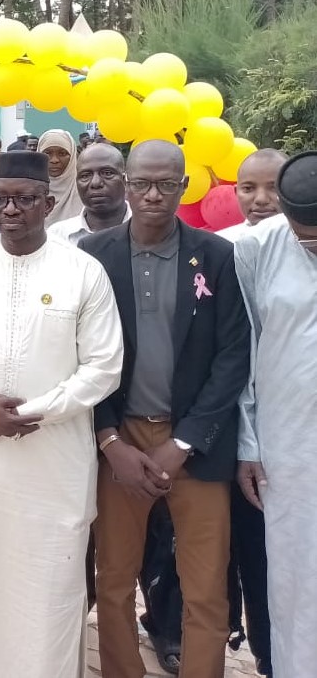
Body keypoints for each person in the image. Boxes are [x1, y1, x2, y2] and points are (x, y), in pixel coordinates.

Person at [0, 151, 124, 677]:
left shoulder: (83, 271)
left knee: (50, 586)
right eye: (1, 198)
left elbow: (104, 368)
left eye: (24, 199)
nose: (10, 209)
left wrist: (30, 412)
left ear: (49, 201)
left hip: (54, 459)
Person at [80, 139, 251, 678]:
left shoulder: (217, 255)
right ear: (126, 184)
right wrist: (109, 440)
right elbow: (77, 353)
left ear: (183, 186)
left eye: (165, 184)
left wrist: (186, 441)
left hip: (194, 442)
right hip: (120, 441)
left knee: (205, 585)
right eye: (141, 183)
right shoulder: (91, 254)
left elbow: (232, 355)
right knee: (112, 580)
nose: (153, 195)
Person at [236, 150, 317, 678]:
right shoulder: (254, 249)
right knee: (295, 580)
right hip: (287, 450)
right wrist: (248, 444)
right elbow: (240, 355)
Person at [47, 142, 132, 246]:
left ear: (124, 180)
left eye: (107, 173)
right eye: (85, 176)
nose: (95, 183)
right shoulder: (57, 236)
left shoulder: (150, 230)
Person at [219, 149, 288, 243]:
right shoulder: (220, 245)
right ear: (236, 193)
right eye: (248, 188)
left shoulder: (311, 245)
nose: (261, 199)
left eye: (274, 188)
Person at [38, 128, 84, 225]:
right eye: (47, 153)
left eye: (62, 153)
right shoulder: (29, 191)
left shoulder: (84, 190)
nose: (54, 160)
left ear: (72, 157)